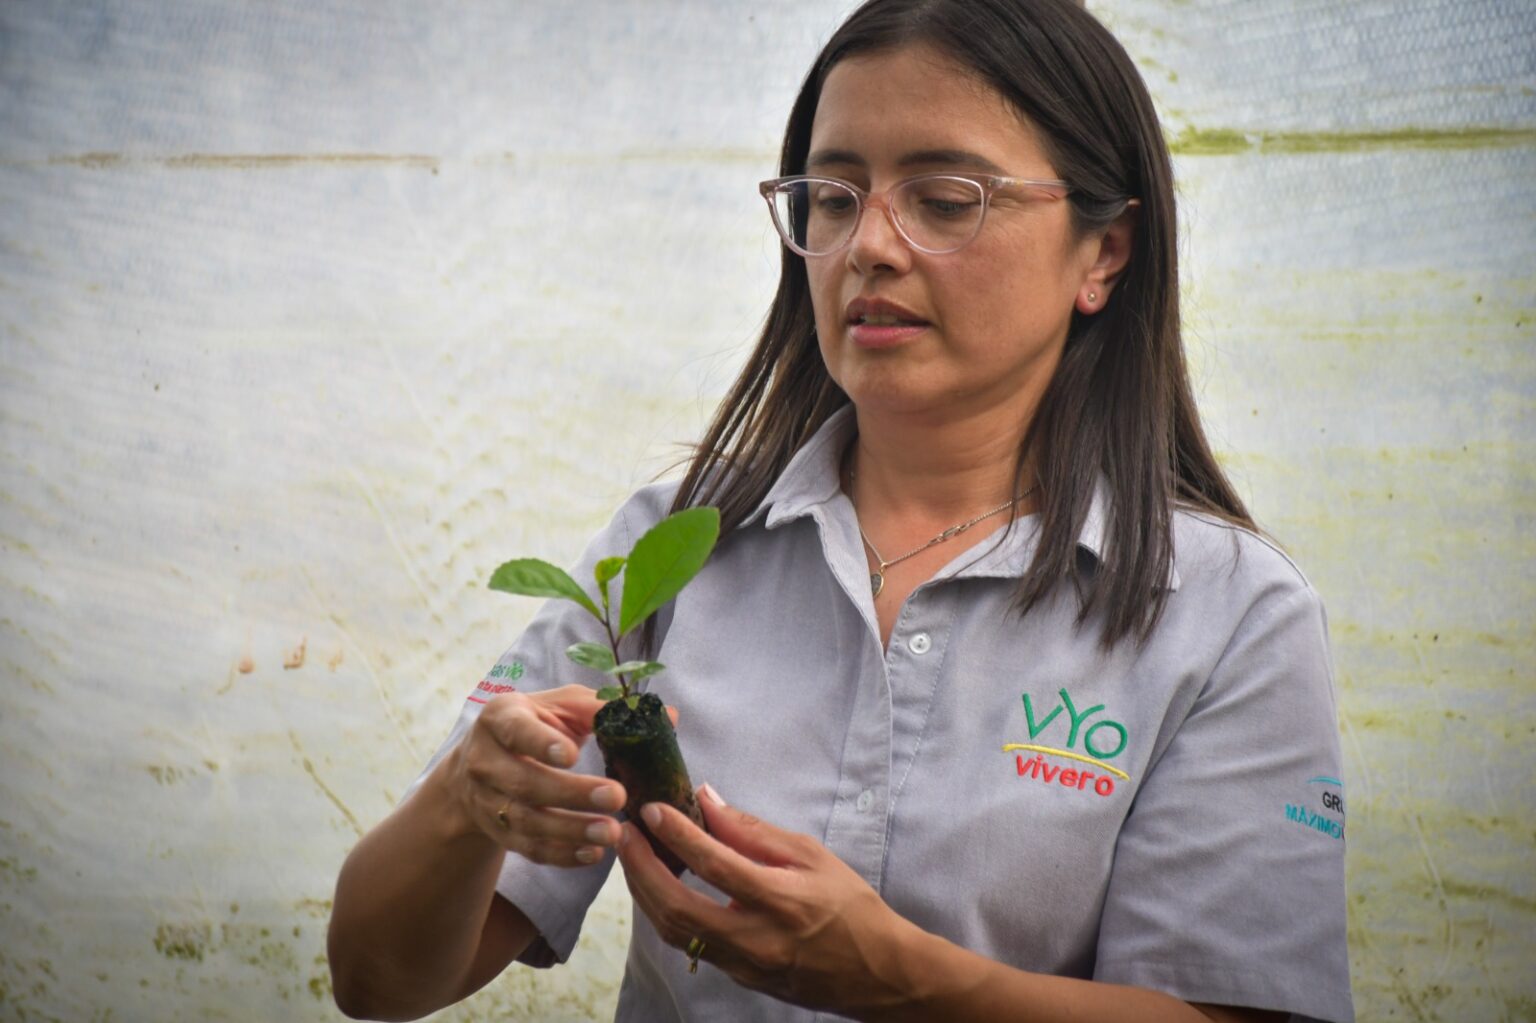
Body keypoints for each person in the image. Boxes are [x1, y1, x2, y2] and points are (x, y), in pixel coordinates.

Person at [327, 0, 1354, 1020]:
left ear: (1105, 253)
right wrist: (469, 800)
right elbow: (379, 983)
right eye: (832, 195)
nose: (870, 245)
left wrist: (894, 975)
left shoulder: (1228, 613)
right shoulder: (672, 547)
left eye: (946, 199)